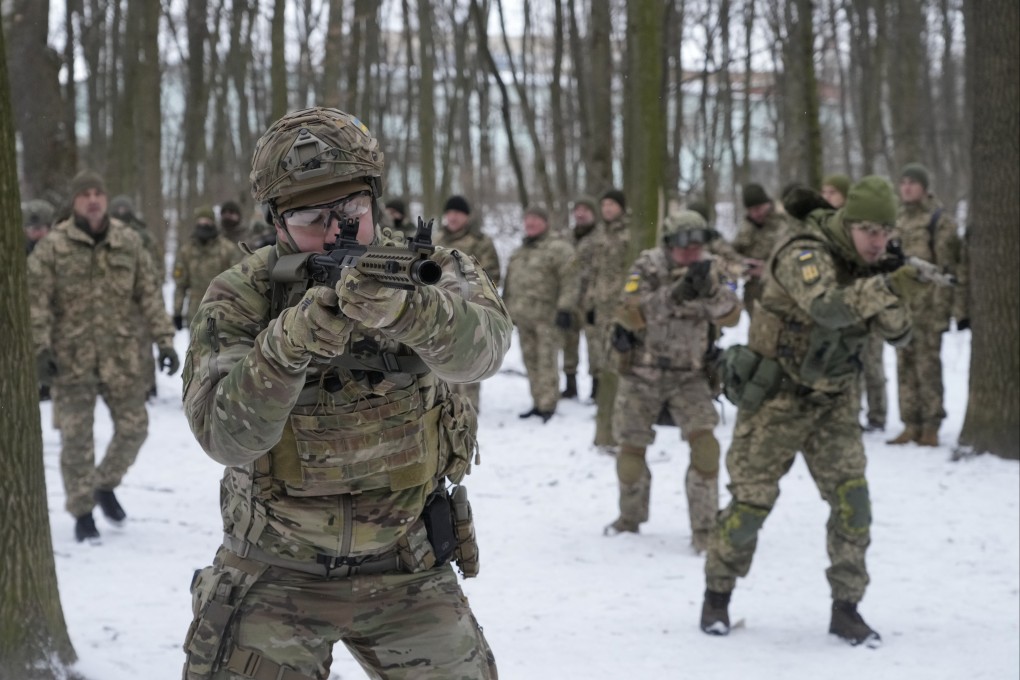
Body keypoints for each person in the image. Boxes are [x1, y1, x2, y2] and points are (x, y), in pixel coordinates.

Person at [180, 107, 510, 679]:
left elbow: (485, 353)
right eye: (312, 217)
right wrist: (286, 349)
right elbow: (224, 436)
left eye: (352, 210)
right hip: (276, 571)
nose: (338, 232)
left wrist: (411, 312)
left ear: (375, 201)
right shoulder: (241, 295)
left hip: (408, 567)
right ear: (276, 223)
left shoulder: (428, 269)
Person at [700, 177, 928, 647]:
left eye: (885, 232)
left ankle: (846, 609)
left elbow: (901, 335)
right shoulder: (804, 250)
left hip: (834, 403)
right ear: (849, 223)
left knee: (853, 504)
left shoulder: (872, 263)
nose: (877, 241)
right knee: (748, 509)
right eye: (869, 230)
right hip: (777, 400)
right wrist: (883, 285)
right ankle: (716, 596)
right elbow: (826, 307)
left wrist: (891, 283)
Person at [27, 170, 179, 543]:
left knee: (135, 428)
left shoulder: (128, 242)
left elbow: (148, 295)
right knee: (77, 440)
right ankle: (82, 512)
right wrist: (40, 348)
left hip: (121, 356)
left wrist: (164, 341)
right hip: (71, 358)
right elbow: (37, 302)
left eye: (98, 193)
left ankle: (103, 484)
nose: (93, 199)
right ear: (75, 202)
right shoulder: (54, 246)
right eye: (85, 194)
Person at [605, 211, 740, 549]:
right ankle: (630, 519)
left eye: (698, 244)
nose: (692, 251)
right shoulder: (648, 265)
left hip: (690, 375)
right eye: (685, 245)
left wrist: (709, 290)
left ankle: (705, 530)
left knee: (706, 449)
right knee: (631, 455)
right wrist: (675, 293)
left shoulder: (711, 267)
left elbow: (732, 314)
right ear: (669, 243)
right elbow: (629, 311)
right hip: (642, 374)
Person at [887, 163, 968, 447]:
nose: (907, 187)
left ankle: (931, 424)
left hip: (930, 306)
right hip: (902, 305)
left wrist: (957, 309)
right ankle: (911, 422)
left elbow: (951, 267)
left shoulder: (939, 220)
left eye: (913, 183)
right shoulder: (896, 221)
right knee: (903, 364)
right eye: (903, 182)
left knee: (927, 365)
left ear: (924, 187)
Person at [822, 174, 887, 431]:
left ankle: (878, 414)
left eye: (832, 193)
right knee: (850, 363)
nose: (826, 197)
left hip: (868, 306)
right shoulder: (826, 229)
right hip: (844, 307)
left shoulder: (862, 227)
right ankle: (853, 412)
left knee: (872, 364)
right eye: (824, 192)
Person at [502, 205, 579, 421]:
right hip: (523, 317)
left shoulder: (558, 248)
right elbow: (509, 284)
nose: (531, 223)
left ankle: (548, 404)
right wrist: (506, 311)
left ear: (545, 222)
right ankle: (537, 401)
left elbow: (570, 280)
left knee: (547, 361)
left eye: (536, 219)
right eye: (528, 219)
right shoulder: (519, 252)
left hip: (548, 317)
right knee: (530, 361)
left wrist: (565, 308)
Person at [433, 194, 502, 413]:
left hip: (470, 311)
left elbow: (492, 276)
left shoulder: (481, 241)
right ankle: (446, 405)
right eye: (449, 212)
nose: (452, 217)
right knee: (442, 358)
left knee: (469, 358)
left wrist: (476, 301)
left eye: (457, 213)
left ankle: (469, 408)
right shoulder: (437, 239)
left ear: (466, 216)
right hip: (440, 310)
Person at [586, 188, 631, 449]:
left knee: (621, 361)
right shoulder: (599, 235)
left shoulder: (630, 234)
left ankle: (621, 416)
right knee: (603, 362)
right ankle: (607, 414)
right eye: (604, 204)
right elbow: (594, 272)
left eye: (612, 204)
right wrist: (591, 302)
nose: (607, 209)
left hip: (623, 307)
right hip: (601, 310)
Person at [171, 206, 241, 331]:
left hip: (222, 311)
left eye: (207, 221)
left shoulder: (227, 249)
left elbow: (238, 283)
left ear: (213, 223)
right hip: (195, 312)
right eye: (201, 221)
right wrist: (177, 311)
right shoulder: (186, 251)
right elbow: (180, 285)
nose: (204, 225)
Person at [562, 196, 600, 399]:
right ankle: (570, 385)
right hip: (569, 300)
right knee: (568, 343)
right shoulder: (566, 238)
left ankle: (597, 387)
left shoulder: (600, 238)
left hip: (592, 300)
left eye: (585, 209)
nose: (580, 213)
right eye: (577, 209)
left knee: (595, 346)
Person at [732, 183, 788, 318]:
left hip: (783, 294)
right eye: (750, 210)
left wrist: (766, 269)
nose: (755, 213)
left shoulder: (785, 222)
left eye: (758, 208)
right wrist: (743, 263)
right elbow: (733, 253)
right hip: (755, 297)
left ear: (767, 203)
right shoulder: (746, 228)